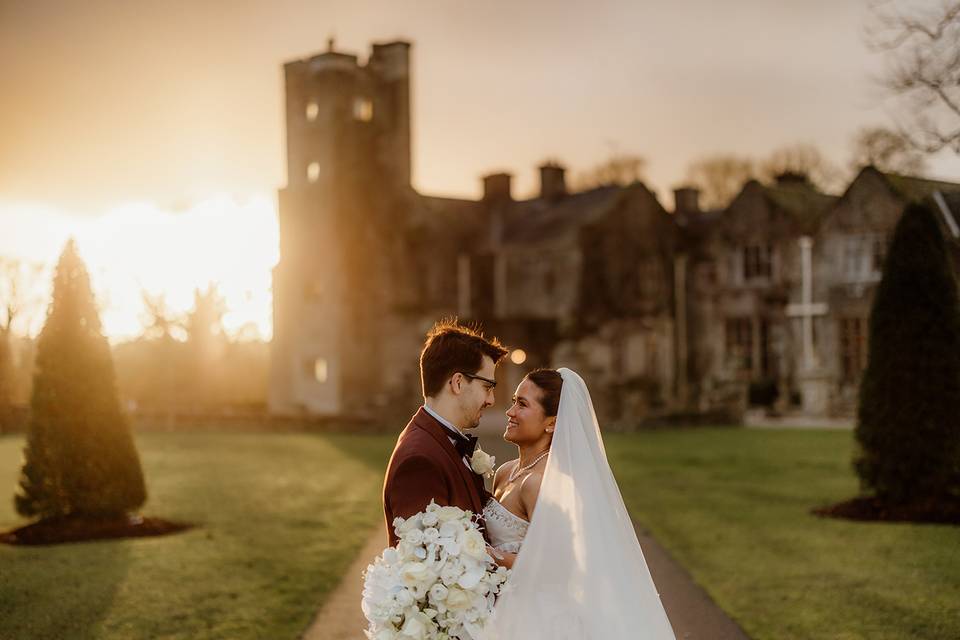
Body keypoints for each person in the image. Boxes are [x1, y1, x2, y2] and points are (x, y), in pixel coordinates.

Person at [481, 367, 676, 639]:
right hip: (502, 605)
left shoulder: (540, 483)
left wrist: (487, 555)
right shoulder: (505, 472)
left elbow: (556, 565)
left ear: (552, 423)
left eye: (522, 404)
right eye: (514, 401)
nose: (510, 412)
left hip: (536, 616)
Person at [381, 319, 508, 547]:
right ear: (458, 383)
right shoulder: (419, 460)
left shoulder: (442, 442)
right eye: (487, 387)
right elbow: (426, 559)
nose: (491, 400)